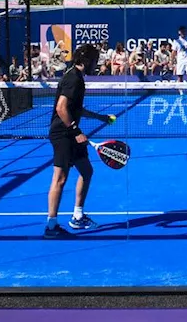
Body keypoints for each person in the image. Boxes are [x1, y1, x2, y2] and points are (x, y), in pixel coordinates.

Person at [44, 43, 112, 237]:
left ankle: (78, 217)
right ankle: (51, 226)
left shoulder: (76, 77)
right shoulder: (73, 79)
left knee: (86, 171)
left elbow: (75, 108)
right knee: (60, 179)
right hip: (63, 134)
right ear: (86, 61)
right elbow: (61, 108)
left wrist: (99, 117)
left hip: (70, 132)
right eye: (95, 61)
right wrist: (75, 131)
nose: (96, 65)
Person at [173, 26, 187, 93]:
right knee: (180, 77)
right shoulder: (176, 41)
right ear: (179, 32)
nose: (183, 33)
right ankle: (181, 93)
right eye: (182, 31)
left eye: (184, 31)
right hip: (180, 61)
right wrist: (172, 61)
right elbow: (173, 52)